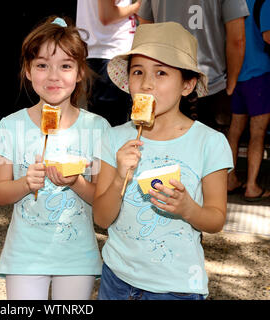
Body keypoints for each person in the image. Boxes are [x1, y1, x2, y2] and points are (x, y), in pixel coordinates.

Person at [93, 22, 233, 300]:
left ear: (187, 84)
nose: (146, 83)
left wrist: (188, 208)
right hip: (116, 278)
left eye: (161, 72)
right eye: (138, 72)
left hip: (176, 287)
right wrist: (120, 176)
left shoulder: (210, 143)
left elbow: (216, 219)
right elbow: (101, 218)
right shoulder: (113, 138)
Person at [0, 16, 110, 300]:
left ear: (80, 72)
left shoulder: (98, 128)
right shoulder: (10, 126)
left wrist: (76, 182)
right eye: (42, 65)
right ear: (28, 71)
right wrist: (25, 183)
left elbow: (102, 201)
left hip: (76, 254)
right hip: (24, 253)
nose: (53, 76)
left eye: (65, 66)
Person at [137, 0, 249, 133]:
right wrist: (230, 84)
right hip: (211, 84)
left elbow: (145, 30)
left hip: (164, 83)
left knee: (164, 147)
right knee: (212, 149)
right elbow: (237, 40)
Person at [226, 0, 270, 201]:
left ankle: (229, 179)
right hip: (259, 74)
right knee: (258, 133)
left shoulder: (233, 3)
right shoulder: (266, 1)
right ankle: (252, 186)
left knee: (234, 130)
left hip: (237, 73)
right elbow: (269, 37)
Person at [76, 0, 140, 126]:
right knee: (111, 128)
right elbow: (107, 15)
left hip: (104, 53)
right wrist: (137, 7)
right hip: (110, 54)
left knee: (106, 126)